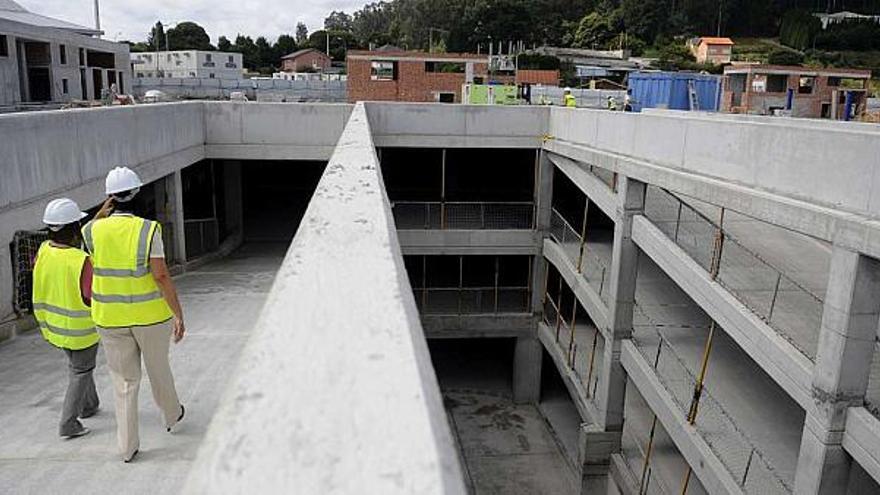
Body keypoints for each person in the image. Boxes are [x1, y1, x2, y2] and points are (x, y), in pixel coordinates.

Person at [82, 166, 186, 463]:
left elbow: (91, 229)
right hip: (151, 317)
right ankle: (171, 415)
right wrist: (177, 313)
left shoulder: (91, 231)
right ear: (138, 193)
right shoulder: (148, 230)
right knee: (158, 370)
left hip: (110, 319)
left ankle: (127, 447)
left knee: (124, 383)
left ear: (110, 197)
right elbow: (162, 276)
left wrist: (102, 210)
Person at [32, 198, 100, 439]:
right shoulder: (81, 261)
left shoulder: (43, 251)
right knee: (81, 371)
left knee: (79, 366)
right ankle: (68, 423)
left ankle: (89, 406)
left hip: (54, 327)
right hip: (80, 330)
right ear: (74, 229)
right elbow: (92, 296)